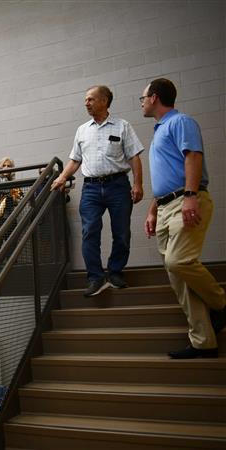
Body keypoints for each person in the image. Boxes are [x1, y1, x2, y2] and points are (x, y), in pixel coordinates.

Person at [141, 78, 226, 359]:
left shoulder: (181, 122)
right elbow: (165, 177)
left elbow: (193, 157)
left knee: (178, 261)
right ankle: (204, 341)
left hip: (185, 200)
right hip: (165, 206)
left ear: (154, 97)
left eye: (143, 98)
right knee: (178, 276)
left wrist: (191, 195)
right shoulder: (159, 132)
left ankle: (221, 304)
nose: (141, 102)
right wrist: (153, 209)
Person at [51, 85, 144, 297]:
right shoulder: (82, 130)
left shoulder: (122, 126)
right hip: (91, 188)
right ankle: (95, 277)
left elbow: (134, 157)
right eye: (86, 99)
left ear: (104, 101)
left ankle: (115, 272)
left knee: (121, 232)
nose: (86, 103)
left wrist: (138, 184)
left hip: (118, 185)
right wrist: (62, 177)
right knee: (89, 231)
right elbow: (75, 159)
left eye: (91, 99)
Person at [0, 157, 23, 258]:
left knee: (12, 241)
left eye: (9, 166)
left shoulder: (13, 182)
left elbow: (18, 199)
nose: (6, 168)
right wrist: (2, 201)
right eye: (4, 166)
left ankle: (10, 266)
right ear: (0, 168)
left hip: (8, 215)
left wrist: (13, 200)